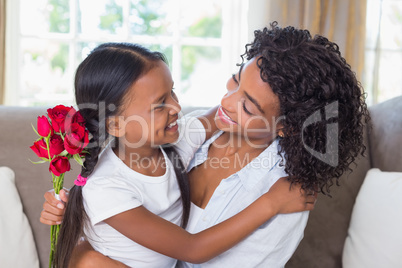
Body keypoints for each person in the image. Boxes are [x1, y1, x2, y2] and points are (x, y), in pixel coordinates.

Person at [41, 21, 369, 267]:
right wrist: (80, 230)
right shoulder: (166, 146)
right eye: (235, 80)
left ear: (288, 127)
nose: (226, 103)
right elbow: (190, 247)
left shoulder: (283, 190)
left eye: (247, 105)